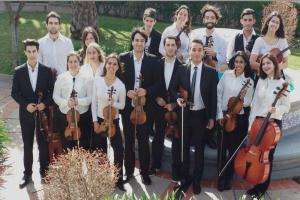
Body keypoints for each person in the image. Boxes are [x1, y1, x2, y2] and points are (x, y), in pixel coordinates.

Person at [244, 53, 290, 199]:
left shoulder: (282, 83)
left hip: (272, 124)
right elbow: (255, 104)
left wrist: (277, 110)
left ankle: (262, 188)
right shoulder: (261, 81)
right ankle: (255, 183)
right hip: (258, 122)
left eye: (268, 63)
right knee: (257, 153)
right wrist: (251, 125)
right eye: (263, 64)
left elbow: (287, 106)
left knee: (267, 157)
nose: (265, 66)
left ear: (275, 64)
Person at [176, 39, 218, 195]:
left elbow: (214, 98)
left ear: (203, 52)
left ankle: (196, 180)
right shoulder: (181, 69)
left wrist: (212, 118)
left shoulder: (211, 72)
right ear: (189, 51)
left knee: (199, 150)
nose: (196, 52)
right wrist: (177, 98)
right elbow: (174, 89)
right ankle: (185, 178)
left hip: (201, 116)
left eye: (199, 50)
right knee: (184, 147)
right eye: (193, 49)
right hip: (185, 114)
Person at [11, 39, 54, 188]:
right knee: (28, 144)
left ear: (38, 52)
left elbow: (51, 92)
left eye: (34, 51)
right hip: (26, 114)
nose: (31, 54)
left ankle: (44, 172)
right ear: (25, 52)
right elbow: (14, 93)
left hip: (42, 114)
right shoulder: (19, 71)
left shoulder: (47, 70)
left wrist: (45, 103)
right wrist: (25, 105)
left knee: (43, 144)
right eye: (28, 51)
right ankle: (27, 174)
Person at [119, 28, 159, 185]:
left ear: (145, 43)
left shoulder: (153, 60)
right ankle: (128, 172)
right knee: (128, 140)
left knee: (143, 140)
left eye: (142, 40)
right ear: (132, 41)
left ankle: (144, 172)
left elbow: (158, 83)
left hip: (144, 108)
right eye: (136, 40)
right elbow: (118, 79)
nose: (139, 43)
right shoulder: (123, 58)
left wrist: (146, 90)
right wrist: (125, 91)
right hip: (128, 107)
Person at [216, 51, 254, 191]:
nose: (238, 64)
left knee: (233, 151)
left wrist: (242, 100)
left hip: (238, 119)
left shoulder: (249, 81)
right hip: (224, 116)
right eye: (236, 61)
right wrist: (219, 113)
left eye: (241, 62)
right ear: (234, 62)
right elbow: (218, 93)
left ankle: (228, 178)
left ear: (245, 64)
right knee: (221, 150)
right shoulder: (226, 75)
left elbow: (250, 101)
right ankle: (220, 177)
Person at [150, 36, 185, 181]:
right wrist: (156, 98)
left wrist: (175, 104)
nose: (170, 47)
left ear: (176, 47)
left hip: (175, 109)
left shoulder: (183, 67)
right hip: (160, 106)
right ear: (164, 47)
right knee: (158, 136)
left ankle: (175, 171)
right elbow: (153, 84)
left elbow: (184, 90)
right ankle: (155, 164)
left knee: (176, 140)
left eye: (173, 45)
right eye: (168, 45)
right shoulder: (157, 64)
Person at [91, 54, 126, 191]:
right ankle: (103, 177)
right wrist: (95, 122)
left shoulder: (120, 85)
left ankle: (118, 179)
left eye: (114, 64)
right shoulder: (98, 81)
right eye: (109, 63)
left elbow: (122, 105)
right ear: (105, 65)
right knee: (101, 150)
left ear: (118, 67)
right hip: (100, 120)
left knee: (118, 149)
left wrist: (114, 104)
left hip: (113, 121)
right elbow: (94, 103)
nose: (111, 66)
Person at [53, 52, 92, 150]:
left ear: (79, 63)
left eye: (75, 61)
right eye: (70, 62)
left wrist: (79, 101)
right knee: (67, 147)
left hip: (82, 117)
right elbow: (55, 96)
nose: (73, 64)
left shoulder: (87, 78)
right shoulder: (61, 77)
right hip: (65, 118)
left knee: (83, 147)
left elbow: (90, 97)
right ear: (67, 63)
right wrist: (67, 102)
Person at [250, 11, 290, 78]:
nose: (274, 24)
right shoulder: (259, 41)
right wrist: (266, 69)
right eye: (273, 21)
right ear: (268, 22)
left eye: (277, 23)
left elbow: (286, 63)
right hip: (261, 76)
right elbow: (252, 63)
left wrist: (276, 68)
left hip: (277, 76)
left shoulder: (282, 41)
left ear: (279, 26)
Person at [191, 4, 227, 73]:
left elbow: (226, 60)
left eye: (212, 18)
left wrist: (215, 55)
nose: (209, 20)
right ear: (204, 20)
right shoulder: (196, 37)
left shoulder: (222, 40)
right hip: (197, 72)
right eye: (207, 18)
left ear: (216, 20)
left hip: (214, 74)